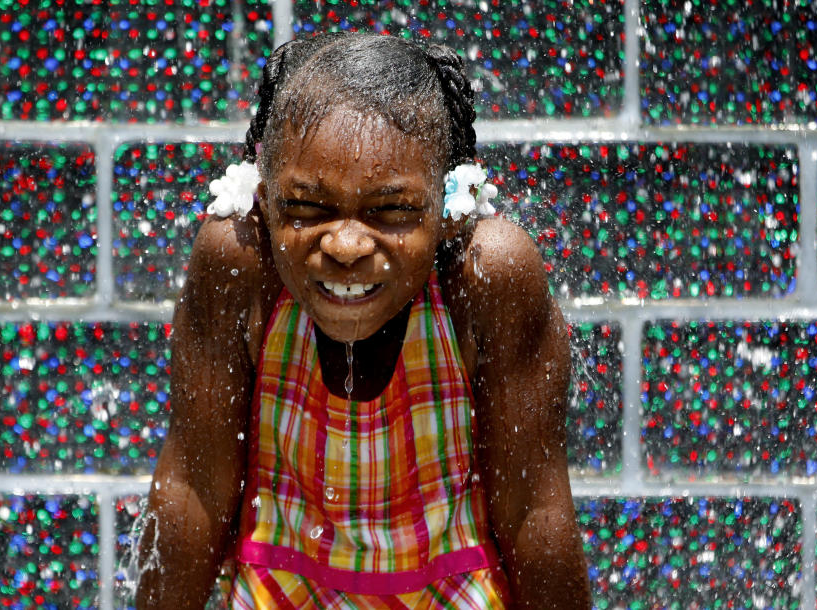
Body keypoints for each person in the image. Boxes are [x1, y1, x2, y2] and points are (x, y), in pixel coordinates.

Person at [137, 32, 591, 609]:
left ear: (450, 206)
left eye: (393, 211)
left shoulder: (486, 276)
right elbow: (193, 490)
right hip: (278, 589)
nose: (347, 244)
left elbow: (535, 511)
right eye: (305, 207)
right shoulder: (241, 263)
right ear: (263, 196)